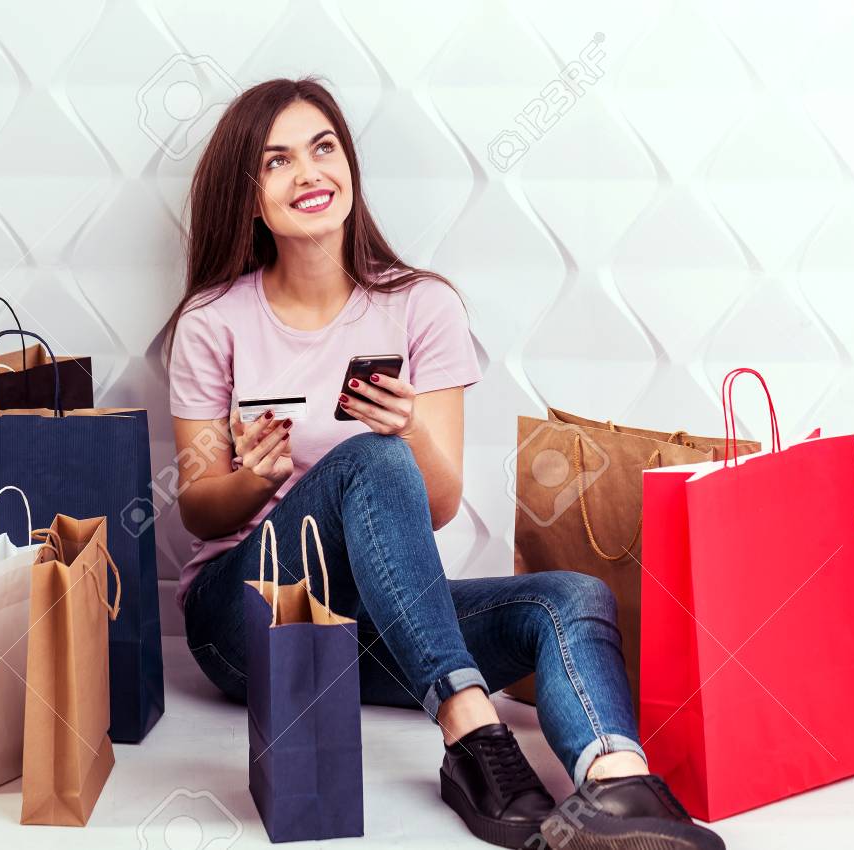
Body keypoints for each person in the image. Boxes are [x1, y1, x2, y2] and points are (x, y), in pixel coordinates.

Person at [164, 76, 723, 850]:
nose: (309, 173)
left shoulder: (423, 306)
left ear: (350, 167)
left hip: (380, 620)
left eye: (323, 148)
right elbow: (196, 507)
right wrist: (252, 481)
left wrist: (413, 433)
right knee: (369, 459)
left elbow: (439, 504)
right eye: (277, 161)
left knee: (570, 597)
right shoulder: (213, 321)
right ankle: (471, 733)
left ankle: (619, 787)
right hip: (248, 618)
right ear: (251, 198)